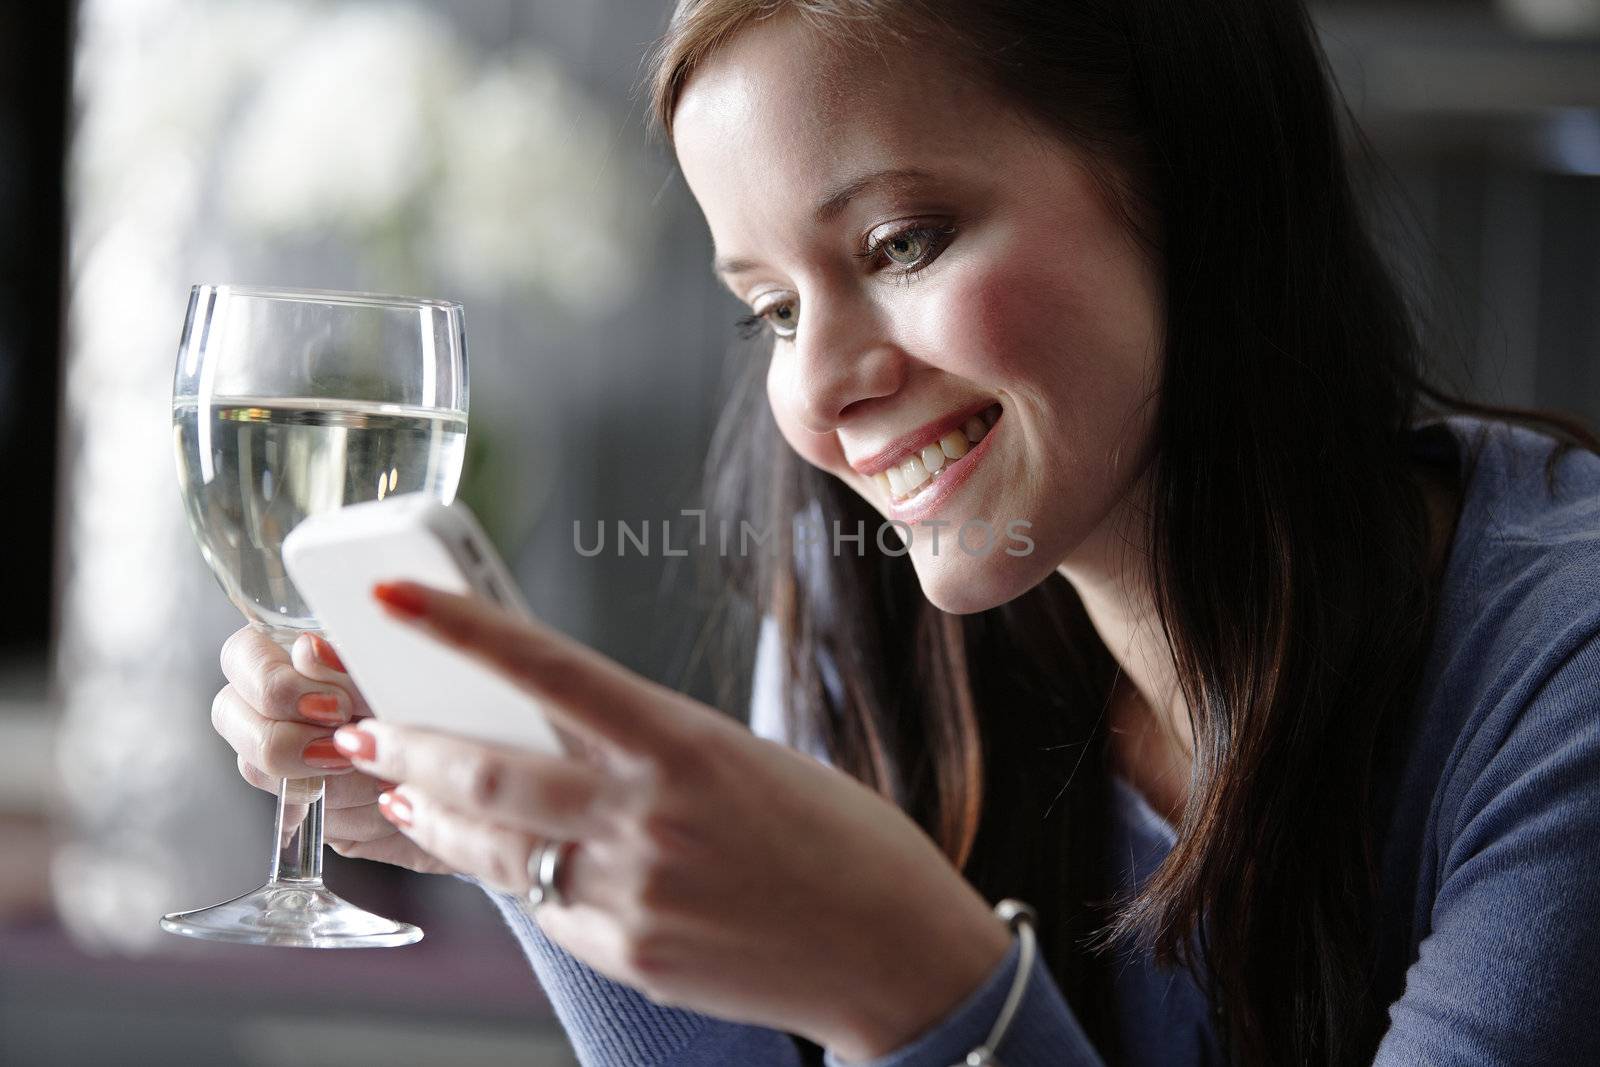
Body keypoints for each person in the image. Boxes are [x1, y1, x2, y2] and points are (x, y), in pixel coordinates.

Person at [207, 1, 1600, 1064]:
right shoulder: (870, 624)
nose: (814, 388)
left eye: (899, 244)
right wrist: (530, 832)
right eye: (772, 309)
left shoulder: (1564, 676)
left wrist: (933, 996)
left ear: (1189, 175)